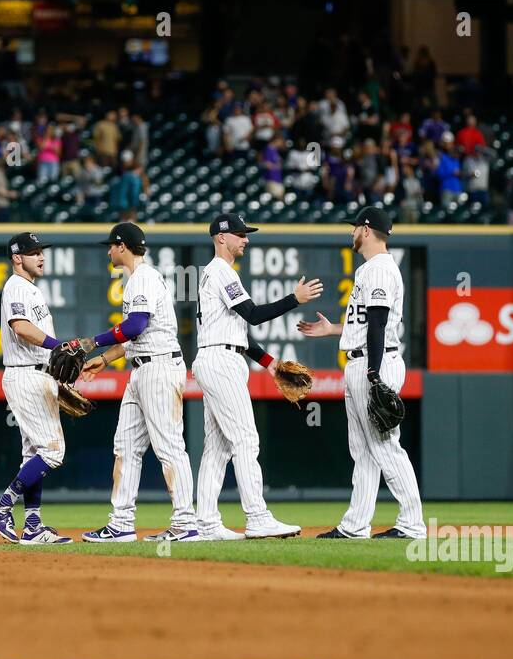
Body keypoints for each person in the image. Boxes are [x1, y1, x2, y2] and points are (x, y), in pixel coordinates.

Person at [298, 207, 426, 539]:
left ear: (366, 230)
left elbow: (380, 323)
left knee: (384, 444)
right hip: (362, 361)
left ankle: (412, 523)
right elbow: (366, 322)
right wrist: (333, 330)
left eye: (354, 227)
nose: (351, 232)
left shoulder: (381, 269)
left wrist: (373, 372)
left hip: (375, 362)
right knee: (363, 450)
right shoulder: (369, 269)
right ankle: (356, 525)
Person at [192, 213, 320, 540]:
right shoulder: (221, 272)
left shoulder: (214, 274)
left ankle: (206, 522)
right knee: (246, 439)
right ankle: (257, 517)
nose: (245, 239)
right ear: (221, 238)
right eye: (239, 234)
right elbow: (254, 315)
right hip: (221, 361)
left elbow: (241, 333)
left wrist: (271, 364)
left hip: (217, 355)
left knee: (217, 447)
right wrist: (295, 299)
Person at [76, 222, 199, 543]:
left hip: (159, 369)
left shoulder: (142, 278)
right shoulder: (139, 278)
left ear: (122, 247)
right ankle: (120, 524)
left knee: (169, 446)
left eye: (111, 246)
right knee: (126, 447)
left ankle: (186, 523)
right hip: (143, 368)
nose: (108, 251)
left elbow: (134, 326)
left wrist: (92, 342)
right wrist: (104, 360)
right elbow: (135, 337)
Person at [0, 233, 73, 545]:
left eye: (41, 251)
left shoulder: (30, 288)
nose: (41, 257)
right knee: (53, 451)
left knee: (33, 453)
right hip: (25, 375)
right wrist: (57, 346)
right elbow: (20, 326)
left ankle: (32, 525)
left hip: (38, 374)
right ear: (17, 258)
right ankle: (2, 505)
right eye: (33, 253)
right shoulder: (16, 286)